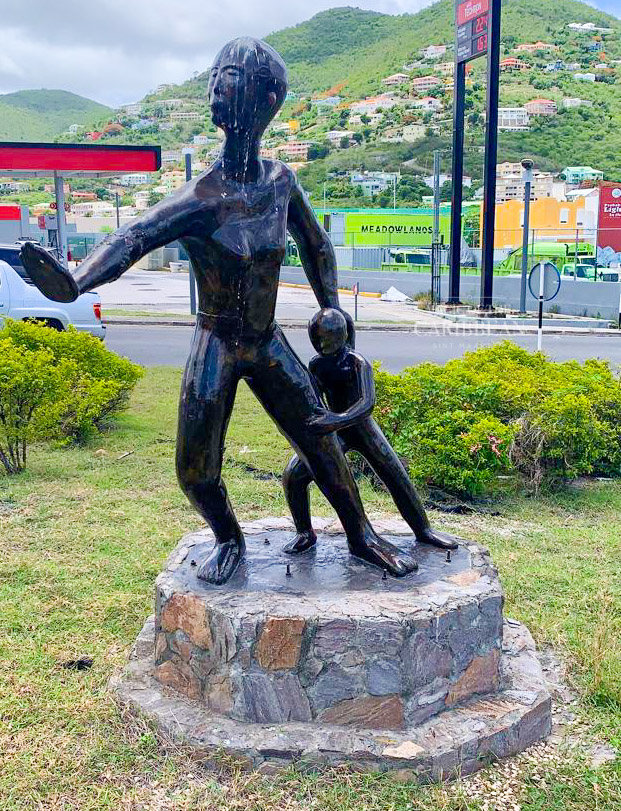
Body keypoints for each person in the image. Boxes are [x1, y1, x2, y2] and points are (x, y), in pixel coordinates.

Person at [19, 37, 417, 584]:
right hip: (218, 341)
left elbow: (318, 246)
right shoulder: (200, 199)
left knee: (320, 443)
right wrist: (76, 282)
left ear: (264, 97)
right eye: (214, 75)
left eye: (226, 76)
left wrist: (334, 317)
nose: (214, 87)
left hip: (267, 339)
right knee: (194, 469)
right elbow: (134, 235)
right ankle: (229, 537)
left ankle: (362, 536)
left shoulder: (281, 181)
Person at [283, 308, 460, 556]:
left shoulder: (357, 363)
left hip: (362, 428)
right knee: (293, 475)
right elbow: (314, 401)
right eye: (318, 340)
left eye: (329, 338)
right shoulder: (316, 365)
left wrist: (336, 419)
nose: (323, 345)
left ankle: (423, 530)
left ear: (342, 336)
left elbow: (367, 405)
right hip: (336, 430)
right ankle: (304, 533)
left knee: (395, 475)